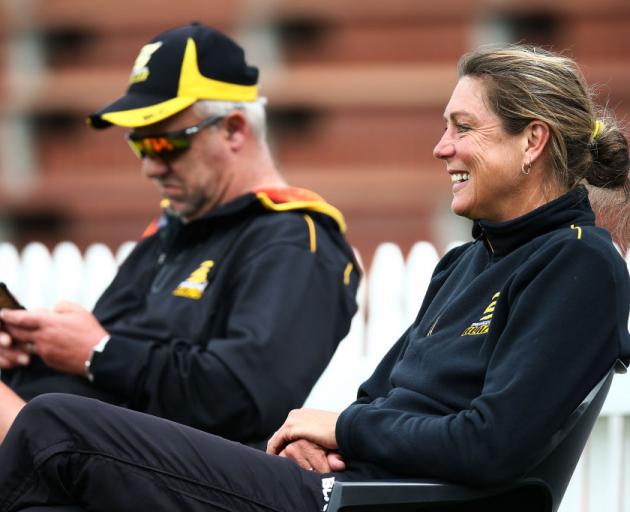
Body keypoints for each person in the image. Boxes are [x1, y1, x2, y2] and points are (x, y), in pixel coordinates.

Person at [1, 43, 629, 512]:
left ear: (532, 142)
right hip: (340, 483)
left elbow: (493, 444)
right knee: (58, 461)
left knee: (56, 427)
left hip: (375, 500)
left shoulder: (578, 262)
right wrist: (326, 439)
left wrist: (343, 431)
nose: (441, 147)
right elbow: (373, 401)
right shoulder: (465, 262)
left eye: (462, 127)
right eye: (445, 127)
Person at [0, 23, 360, 445]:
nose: (150, 167)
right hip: (75, 459)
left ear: (234, 130)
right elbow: (112, 376)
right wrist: (28, 357)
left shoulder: (295, 239)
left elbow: (244, 400)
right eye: (140, 145)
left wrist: (99, 353)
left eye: (165, 144)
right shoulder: (173, 231)